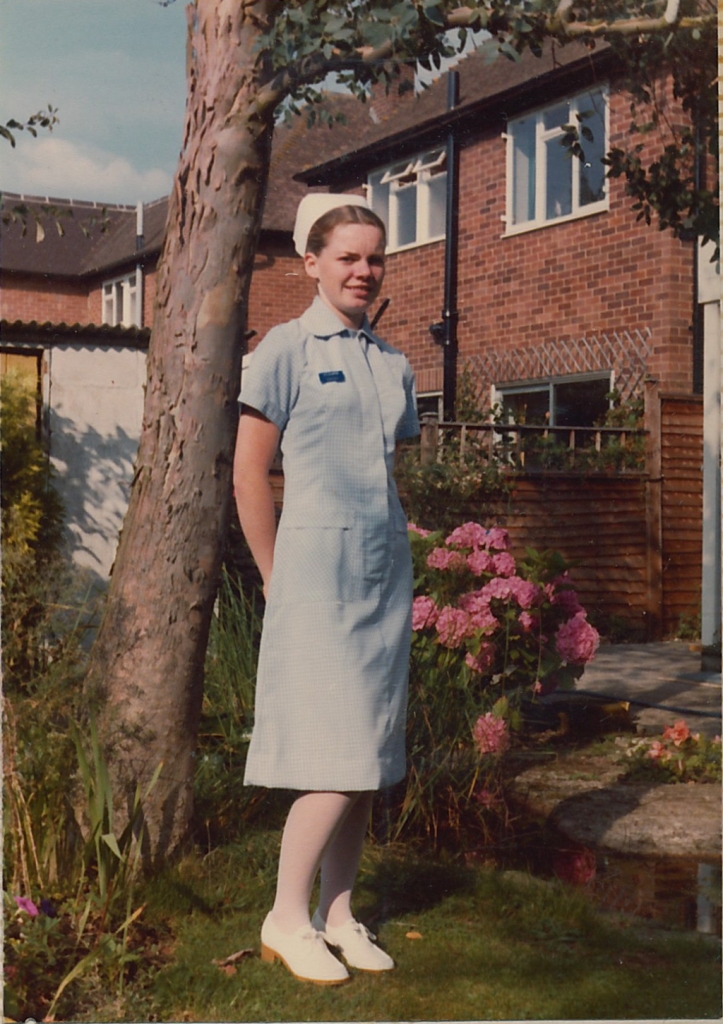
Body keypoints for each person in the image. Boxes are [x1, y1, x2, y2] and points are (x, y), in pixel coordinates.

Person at [232, 193, 419, 985]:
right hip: (314, 576)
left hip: (382, 576)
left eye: (373, 257)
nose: (362, 270)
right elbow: (249, 473)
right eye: (347, 257)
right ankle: (286, 916)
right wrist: (274, 575)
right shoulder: (285, 349)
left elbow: (379, 476)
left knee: (369, 754)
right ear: (311, 263)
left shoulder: (392, 363)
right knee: (337, 755)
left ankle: (338, 916)